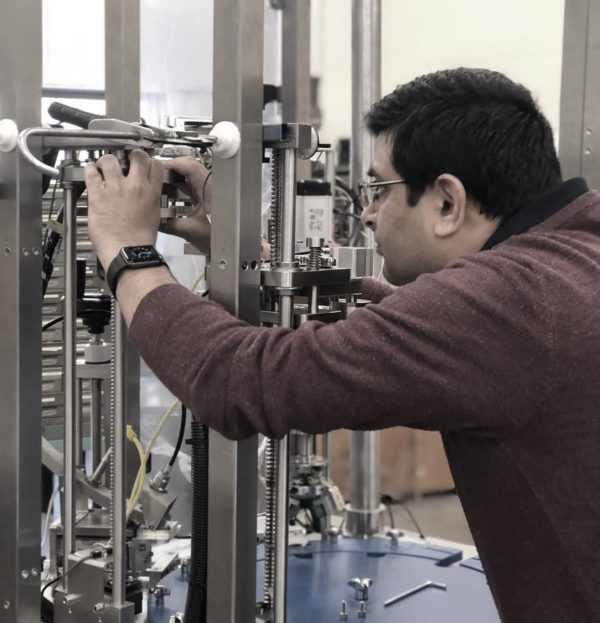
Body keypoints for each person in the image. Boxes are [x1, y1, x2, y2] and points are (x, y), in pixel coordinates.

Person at [85, 68, 600, 622]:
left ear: (448, 202)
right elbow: (413, 327)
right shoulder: (572, 253)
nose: (367, 213)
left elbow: (239, 381)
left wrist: (128, 252)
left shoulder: (507, 301)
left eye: (378, 190)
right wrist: (247, 255)